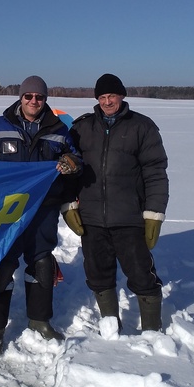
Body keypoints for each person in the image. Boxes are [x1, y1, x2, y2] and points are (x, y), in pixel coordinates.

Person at [0, 75, 82, 355]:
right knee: (2, 266)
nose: (34, 101)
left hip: (43, 208)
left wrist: (72, 162)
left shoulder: (59, 128)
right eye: (28, 96)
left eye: (40, 97)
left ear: (46, 99)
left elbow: (76, 157)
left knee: (42, 263)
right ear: (20, 98)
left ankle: (39, 320)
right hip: (7, 211)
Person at [66, 73, 169, 333]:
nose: (107, 101)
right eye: (102, 97)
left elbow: (155, 172)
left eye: (111, 96)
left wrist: (154, 213)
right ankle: (111, 325)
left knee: (141, 274)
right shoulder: (81, 128)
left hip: (129, 216)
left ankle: (151, 332)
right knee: (98, 274)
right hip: (91, 217)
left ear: (122, 96)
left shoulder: (142, 127)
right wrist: (68, 205)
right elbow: (66, 169)